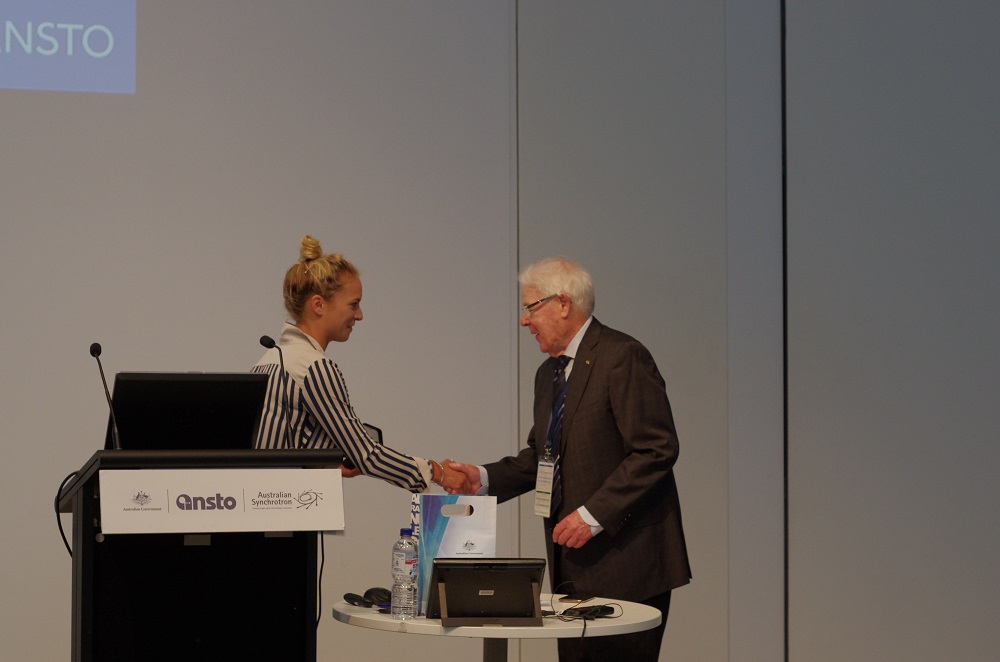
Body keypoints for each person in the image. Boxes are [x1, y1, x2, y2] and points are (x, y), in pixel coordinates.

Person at [448, 257, 691, 661]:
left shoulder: (622, 356)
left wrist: (592, 515)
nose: (524, 322)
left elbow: (656, 449)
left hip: (627, 565)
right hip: (571, 567)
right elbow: (543, 459)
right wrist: (483, 478)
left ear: (562, 303)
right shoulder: (549, 375)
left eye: (530, 308)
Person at [254, 235, 467, 493]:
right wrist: (435, 471)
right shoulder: (313, 368)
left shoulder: (268, 361)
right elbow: (367, 454)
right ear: (318, 305)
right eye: (353, 304)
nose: (359, 315)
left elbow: (285, 444)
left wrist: (326, 462)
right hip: (285, 519)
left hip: (259, 509)